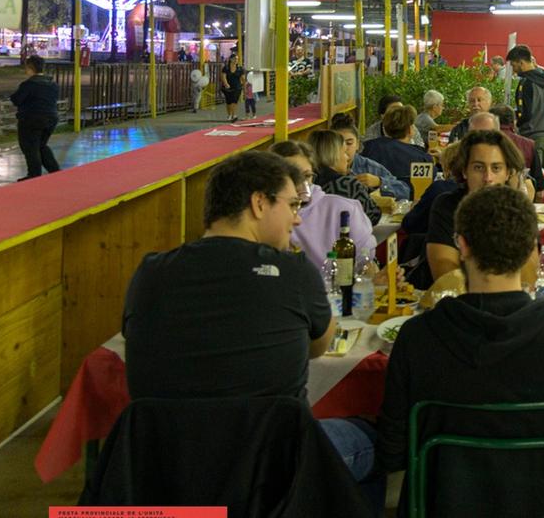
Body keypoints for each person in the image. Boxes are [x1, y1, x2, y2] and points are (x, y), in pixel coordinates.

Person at [121, 151, 381, 505]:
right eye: (292, 205)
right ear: (259, 203)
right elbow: (320, 345)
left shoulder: (149, 273)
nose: (297, 219)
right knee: (378, 440)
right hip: (272, 469)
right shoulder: (293, 272)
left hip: (161, 472)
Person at [377, 185, 544, 517]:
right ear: (531, 251)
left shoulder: (416, 337)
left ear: (462, 245)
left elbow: (392, 452)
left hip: (442, 503)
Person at [425, 130, 536, 290]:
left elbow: (529, 276)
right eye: (478, 167)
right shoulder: (446, 205)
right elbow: (444, 271)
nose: (487, 178)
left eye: (496, 168)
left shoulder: (518, 210)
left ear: (507, 173)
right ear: (464, 171)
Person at [271, 140, 376, 269]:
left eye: (307, 176)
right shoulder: (264, 217)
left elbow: (367, 263)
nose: (302, 184)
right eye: (293, 177)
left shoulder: (343, 209)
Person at [309, 129, 383, 224]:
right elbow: (374, 216)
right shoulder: (349, 184)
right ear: (333, 155)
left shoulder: (305, 182)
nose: (347, 157)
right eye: (344, 152)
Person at [361, 105, 435, 200]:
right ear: (410, 130)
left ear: (385, 129)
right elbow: (427, 186)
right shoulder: (422, 158)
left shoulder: (366, 148)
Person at [328, 112, 408, 200]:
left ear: (358, 144)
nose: (344, 149)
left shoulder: (369, 167)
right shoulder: (323, 169)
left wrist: (379, 182)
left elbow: (404, 191)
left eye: (349, 143)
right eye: (338, 144)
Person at [10, 55, 61, 179]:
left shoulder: (29, 84)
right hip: (51, 119)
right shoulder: (52, 84)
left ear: (30, 68)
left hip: (31, 119)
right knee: (41, 145)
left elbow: (16, 99)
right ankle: (56, 172)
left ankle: (34, 175)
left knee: (30, 147)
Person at [485, 106, 544, 200]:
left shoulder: (483, 143)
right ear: (513, 122)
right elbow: (539, 186)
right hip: (521, 199)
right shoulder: (529, 144)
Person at [219, 53, 245, 122]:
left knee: (234, 101)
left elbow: (243, 78)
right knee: (229, 102)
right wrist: (226, 84)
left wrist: (245, 86)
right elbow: (223, 76)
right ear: (231, 59)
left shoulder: (240, 69)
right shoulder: (226, 68)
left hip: (237, 87)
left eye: (237, 59)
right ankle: (229, 115)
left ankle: (234, 115)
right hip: (228, 88)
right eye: (235, 59)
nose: (236, 60)